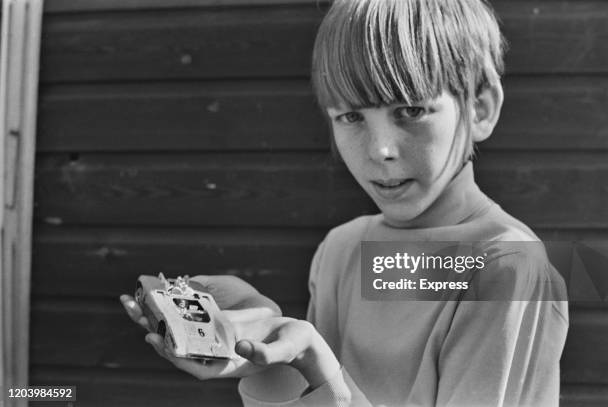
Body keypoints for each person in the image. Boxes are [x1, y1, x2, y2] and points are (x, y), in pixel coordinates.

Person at [121, 0, 569, 405]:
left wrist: (317, 364)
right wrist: (269, 350)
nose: (380, 150)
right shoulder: (342, 249)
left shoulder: (506, 269)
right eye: (351, 116)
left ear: (481, 108)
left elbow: (328, 382)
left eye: (410, 111)